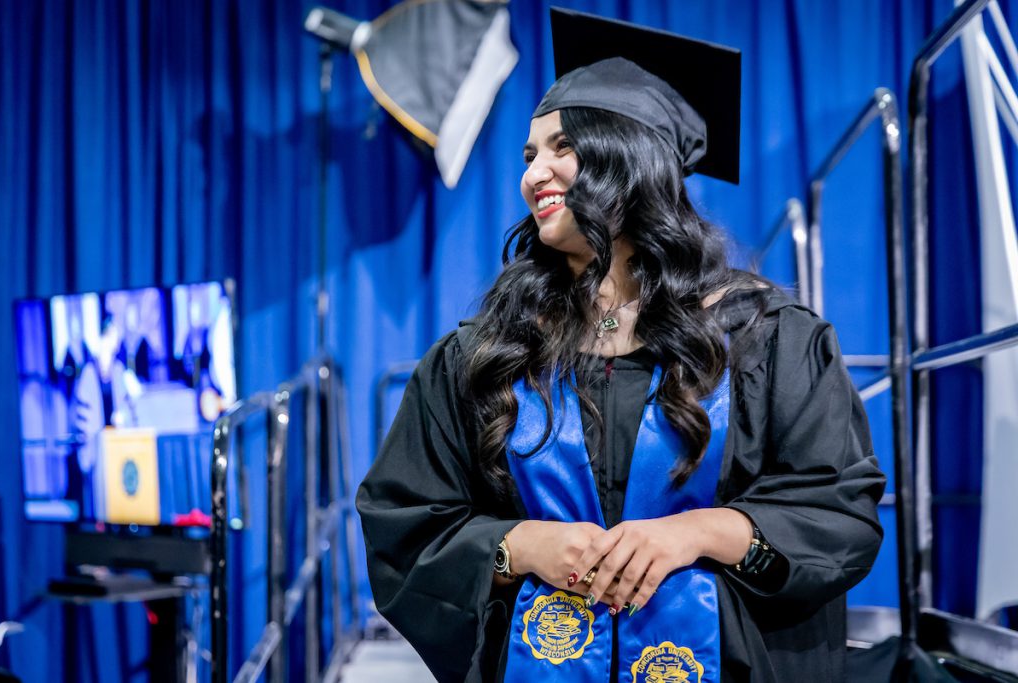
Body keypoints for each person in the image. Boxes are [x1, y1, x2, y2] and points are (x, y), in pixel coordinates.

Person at [357, 9, 886, 683]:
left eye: (562, 148)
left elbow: (838, 510)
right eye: (529, 156)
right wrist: (520, 544)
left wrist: (697, 532)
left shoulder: (769, 341)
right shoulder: (485, 356)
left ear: (633, 159)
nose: (534, 175)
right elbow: (404, 524)